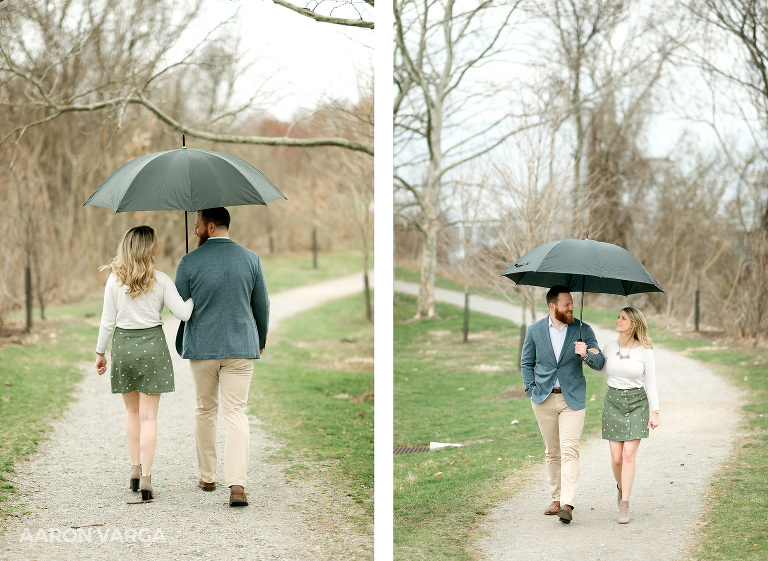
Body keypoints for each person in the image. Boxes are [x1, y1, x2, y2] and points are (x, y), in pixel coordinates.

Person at [174, 207, 269, 507]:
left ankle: (208, 477)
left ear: (211, 226)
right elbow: (262, 306)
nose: (195, 230)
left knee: (205, 409)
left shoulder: (189, 262)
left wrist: (189, 269)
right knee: (236, 412)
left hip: (202, 348)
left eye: (197, 225)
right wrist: (260, 340)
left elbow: (178, 307)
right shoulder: (252, 259)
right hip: (241, 348)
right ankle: (237, 485)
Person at [94, 225, 194, 502]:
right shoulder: (161, 280)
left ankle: (134, 469)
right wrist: (194, 291)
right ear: (151, 248)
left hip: (124, 348)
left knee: (132, 413)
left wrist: (100, 352)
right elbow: (184, 313)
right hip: (153, 348)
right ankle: (148, 478)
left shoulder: (114, 281)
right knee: (150, 417)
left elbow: (107, 322)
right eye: (155, 242)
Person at [520, 285, 605, 523]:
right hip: (543, 398)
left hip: (572, 400)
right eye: (566, 304)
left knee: (570, 450)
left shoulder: (583, 329)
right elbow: (526, 363)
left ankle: (568, 503)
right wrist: (530, 389)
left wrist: (586, 353)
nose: (571, 308)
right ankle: (556, 499)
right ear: (552, 306)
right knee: (552, 452)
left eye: (572, 304)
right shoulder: (535, 330)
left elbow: (599, 363)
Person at [592, 306, 659, 524]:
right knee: (617, 458)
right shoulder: (610, 346)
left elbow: (651, 382)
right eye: (618, 316)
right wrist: (587, 356)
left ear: (634, 324)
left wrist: (655, 411)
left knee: (629, 455)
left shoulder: (645, 351)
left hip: (637, 403)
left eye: (623, 318)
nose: (618, 320)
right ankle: (621, 487)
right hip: (613, 401)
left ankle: (625, 504)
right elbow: (601, 370)